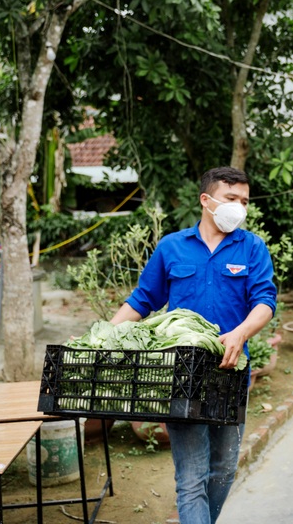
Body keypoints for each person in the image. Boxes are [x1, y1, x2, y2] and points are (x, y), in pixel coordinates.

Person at [110, 166, 277, 523]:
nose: (239, 207)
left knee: (223, 469)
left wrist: (241, 333)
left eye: (244, 201)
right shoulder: (173, 247)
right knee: (190, 479)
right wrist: (104, 335)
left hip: (230, 375)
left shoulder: (251, 248)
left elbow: (265, 302)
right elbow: (143, 299)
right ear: (207, 200)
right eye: (231, 199)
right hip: (180, 375)